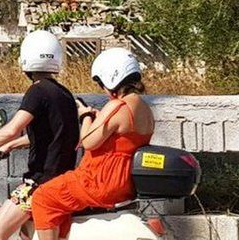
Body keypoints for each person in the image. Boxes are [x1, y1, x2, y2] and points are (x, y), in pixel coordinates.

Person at [0, 31, 80, 240]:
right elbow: (50, 135)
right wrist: (10, 146)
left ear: (26, 59)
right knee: (26, 234)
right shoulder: (64, 94)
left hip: (40, 184)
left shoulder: (37, 91)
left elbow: (12, 128)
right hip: (62, 180)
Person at [30, 48, 156, 240]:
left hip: (99, 180)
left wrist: (86, 115)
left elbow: (89, 142)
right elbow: (120, 137)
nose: (104, 91)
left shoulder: (118, 106)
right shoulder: (145, 108)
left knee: (43, 197)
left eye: (101, 84)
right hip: (124, 183)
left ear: (111, 78)